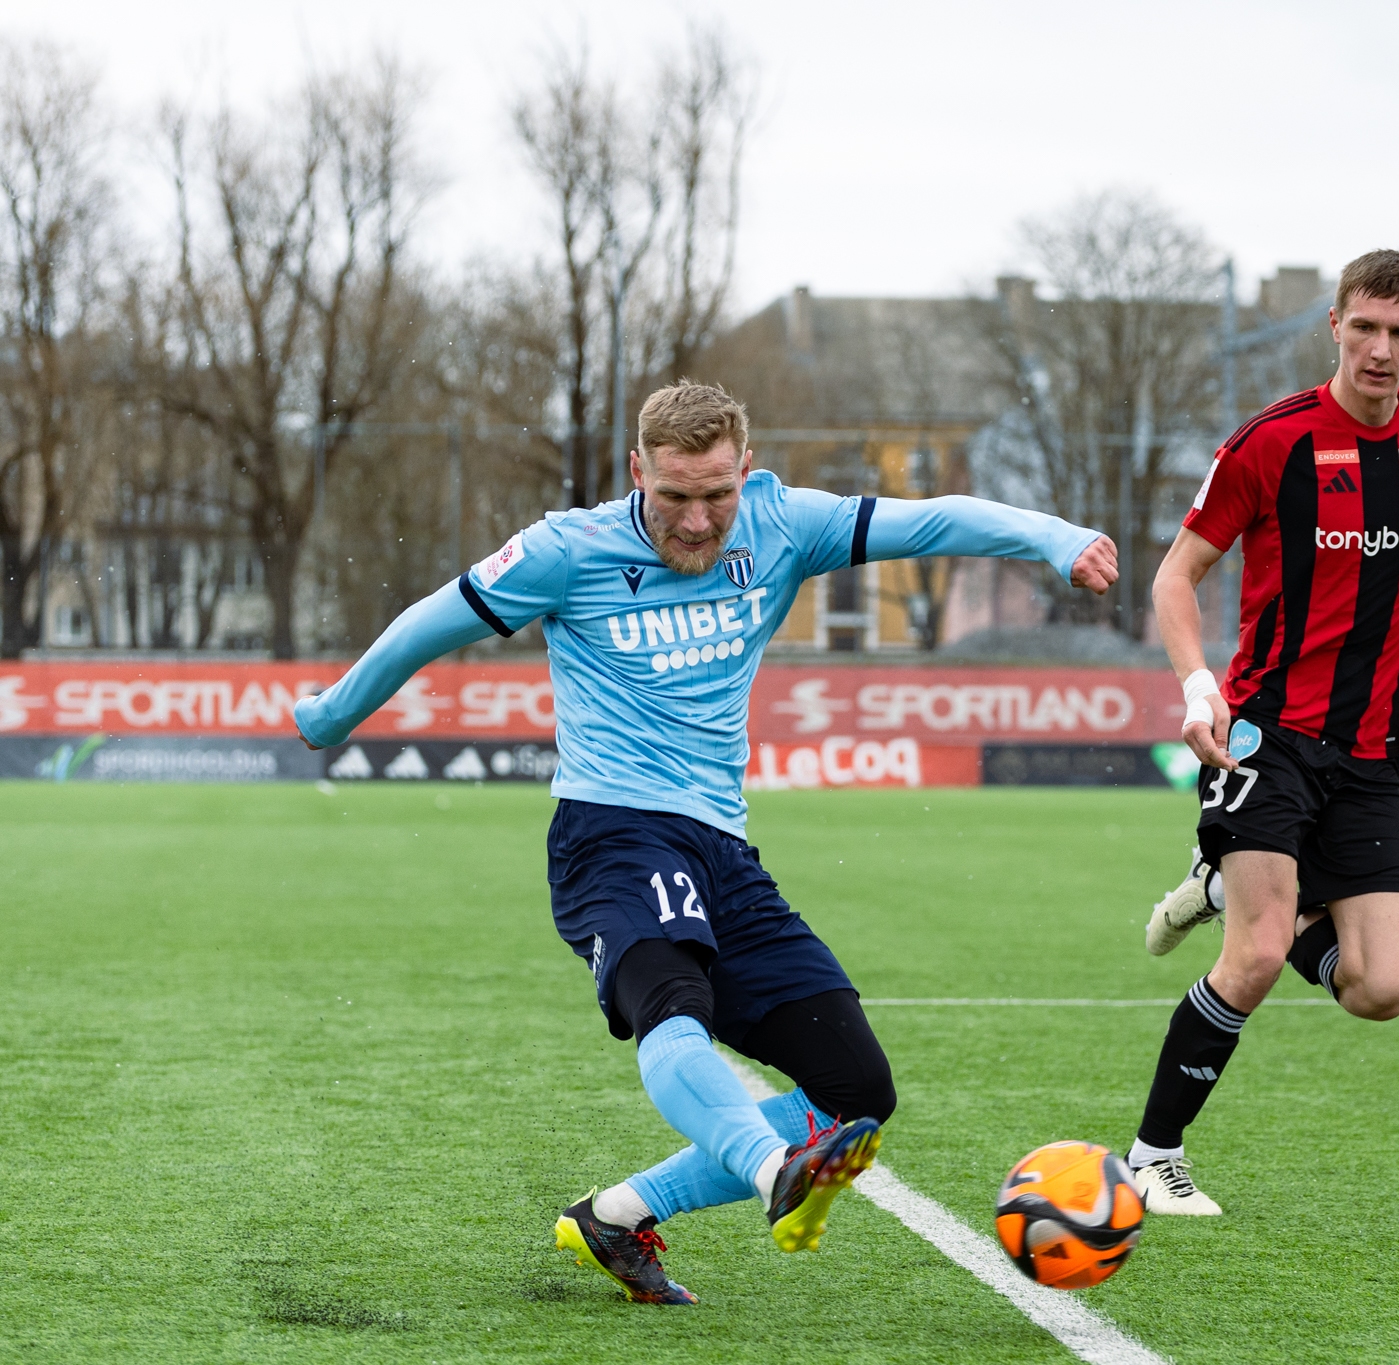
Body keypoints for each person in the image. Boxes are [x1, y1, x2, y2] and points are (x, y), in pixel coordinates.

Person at [292, 380, 1115, 1304]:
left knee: (855, 1094)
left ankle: (612, 1214)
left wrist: (1056, 537)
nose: (695, 519)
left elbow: (931, 524)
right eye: (675, 495)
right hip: (611, 831)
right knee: (671, 1002)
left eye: (715, 494)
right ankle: (775, 1175)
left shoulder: (783, 523)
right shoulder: (569, 548)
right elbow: (428, 622)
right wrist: (332, 713)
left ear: (746, 471)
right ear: (638, 469)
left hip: (723, 848)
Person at [1130, 249, 1399, 1216]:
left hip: (1371, 751)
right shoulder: (1272, 443)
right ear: (1334, 323)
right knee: (1251, 954)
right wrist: (1199, 686)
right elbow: (1173, 577)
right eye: (1364, 328)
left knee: (1381, 988)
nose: (1381, 350)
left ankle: (1225, 881)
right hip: (1266, 736)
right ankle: (1152, 1154)